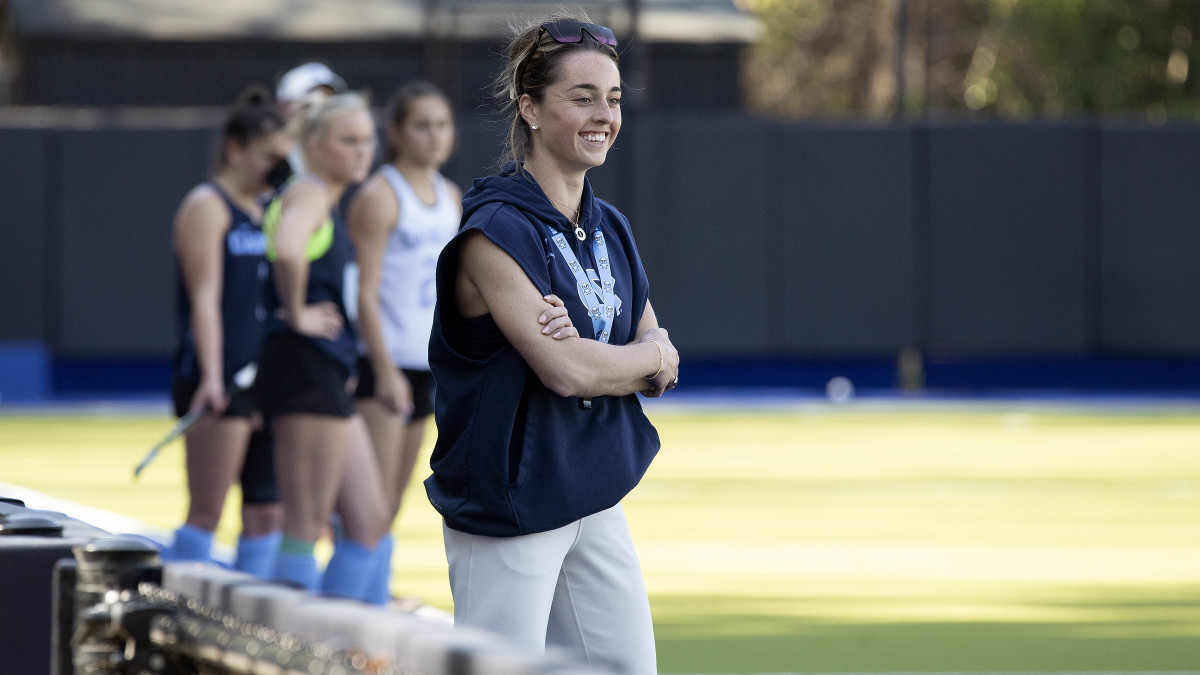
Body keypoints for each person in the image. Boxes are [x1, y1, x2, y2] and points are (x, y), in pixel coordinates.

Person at [425, 14, 679, 674]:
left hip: (592, 489)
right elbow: (568, 370)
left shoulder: (607, 223)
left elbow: (657, 349)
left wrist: (635, 357)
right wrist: (638, 357)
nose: (604, 115)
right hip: (510, 504)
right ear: (531, 108)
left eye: (614, 97)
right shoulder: (494, 230)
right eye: (583, 96)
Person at [254, 91, 390, 599]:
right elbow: (288, 248)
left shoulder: (325, 198)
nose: (363, 151)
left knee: (368, 520)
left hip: (326, 372)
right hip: (302, 369)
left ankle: (342, 644)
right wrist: (296, 313)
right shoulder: (309, 192)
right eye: (349, 141)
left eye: (367, 140)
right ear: (315, 145)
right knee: (304, 527)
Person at [166, 85, 291, 577]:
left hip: (267, 376)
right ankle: (172, 614)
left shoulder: (272, 210)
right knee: (208, 509)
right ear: (236, 150)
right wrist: (213, 377)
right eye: (268, 157)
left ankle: (251, 633)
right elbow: (205, 299)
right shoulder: (208, 205)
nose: (277, 169)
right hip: (219, 376)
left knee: (267, 512)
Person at [346, 81, 459, 605]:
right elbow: (364, 293)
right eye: (422, 125)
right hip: (383, 364)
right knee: (366, 504)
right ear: (396, 133)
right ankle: (352, 608)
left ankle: (376, 594)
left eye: (442, 124)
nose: (434, 136)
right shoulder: (381, 195)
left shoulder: (453, 197)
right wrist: (385, 368)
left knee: (392, 499)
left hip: (429, 364)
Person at [275, 62, 348, 172]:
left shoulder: (343, 153)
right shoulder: (272, 157)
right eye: (309, 104)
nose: (323, 112)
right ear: (284, 105)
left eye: (329, 99)